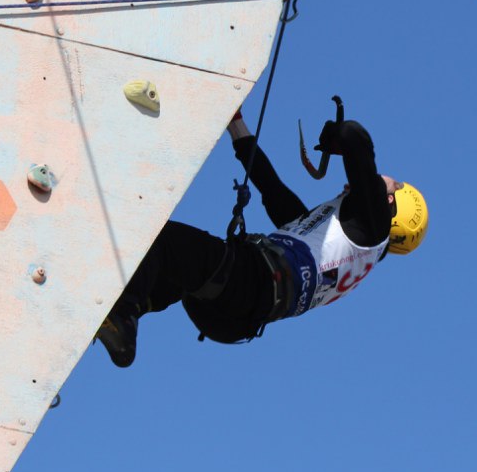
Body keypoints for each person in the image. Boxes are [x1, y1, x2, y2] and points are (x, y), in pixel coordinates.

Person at [96, 109, 428, 367]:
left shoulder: (373, 227)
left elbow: (354, 136)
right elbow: (271, 187)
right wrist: (236, 125)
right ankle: (130, 308)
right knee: (178, 269)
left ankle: (123, 318)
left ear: (388, 206)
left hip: (250, 283)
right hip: (234, 317)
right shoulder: (330, 240)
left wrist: (384, 180)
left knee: (162, 240)